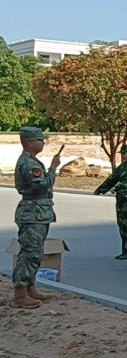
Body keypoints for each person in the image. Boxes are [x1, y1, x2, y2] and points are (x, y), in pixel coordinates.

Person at [9, 127, 62, 309]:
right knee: (29, 253)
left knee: (36, 252)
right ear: (30, 142)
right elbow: (43, 186)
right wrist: (53, 168)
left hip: (37, 211)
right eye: (40, 140)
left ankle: (30, 288)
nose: (43, 143)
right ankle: (20, 294)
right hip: (32, 212)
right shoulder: (29, 164)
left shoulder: (31, 161)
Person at [94, 144, 127, 260]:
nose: (122, 156)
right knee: (122, 226)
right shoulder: (123, 166)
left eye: (124, 153)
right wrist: (101, 189)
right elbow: (112, 178)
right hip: (121, 201)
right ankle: (125, 250)